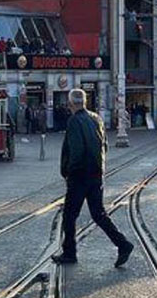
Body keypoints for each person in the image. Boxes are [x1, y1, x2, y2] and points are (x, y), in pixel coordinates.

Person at [52, 88, 134, 267]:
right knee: (98, 214)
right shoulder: (96, 118)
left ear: (71, 104)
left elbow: (76, 150)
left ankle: (69, 253)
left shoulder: (74, 121)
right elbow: (104, 146)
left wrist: (68, 172)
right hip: (96, 174)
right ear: (85, 102)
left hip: (79, 176)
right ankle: (123, 244)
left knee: (69, 216)